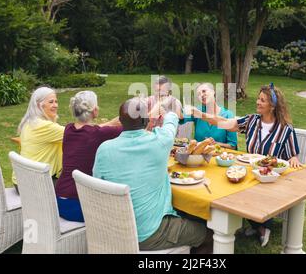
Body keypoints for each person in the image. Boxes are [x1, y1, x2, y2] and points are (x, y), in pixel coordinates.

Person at [187, 83, 301, 247]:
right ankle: (246, 222)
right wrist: (201, 115)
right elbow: (225, 123)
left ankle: (263, 226)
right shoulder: (252, 120)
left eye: (262, 100)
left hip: (272, 179)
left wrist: (294, 159)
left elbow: (293, 155)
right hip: (249, 173)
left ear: (273, 106)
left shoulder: (285, 129)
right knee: (226, 185)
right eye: (258, 99)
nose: (257, 102)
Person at [93, 97, 210, 252]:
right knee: (209, 234)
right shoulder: (160, 141)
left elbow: (97, 186)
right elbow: (172, 118)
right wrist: (166, 108)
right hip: (149, 234)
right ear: (146, 121)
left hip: (113, 227)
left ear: (120, 121)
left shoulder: (103, 149)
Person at [55, 91, 122, 222]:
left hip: (59, 199)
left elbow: (94, 129)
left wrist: (111, 122)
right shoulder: (97, 134)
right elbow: (130, 128)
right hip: (78, 204)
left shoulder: (69, 129)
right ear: (95, 110)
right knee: (118, 210)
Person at [13, 87, 64, 193]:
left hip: (22, 180)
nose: (55, 105)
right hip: (34, 183)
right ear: (38, 105)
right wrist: (108, 125)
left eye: (56, 101)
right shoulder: (44, 126)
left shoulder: (30, 122)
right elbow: (78, 133)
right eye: (51, 102)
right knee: (76, 187)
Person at [181, 82, 237, 149]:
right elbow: (180, 118)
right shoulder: (197, 111)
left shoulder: (227, 115)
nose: (201, 95)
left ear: (213, 92)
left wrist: (216, 144)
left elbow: (232, 145)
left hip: (219, 156)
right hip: (198, 155)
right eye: (198, 94)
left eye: (204, 91)